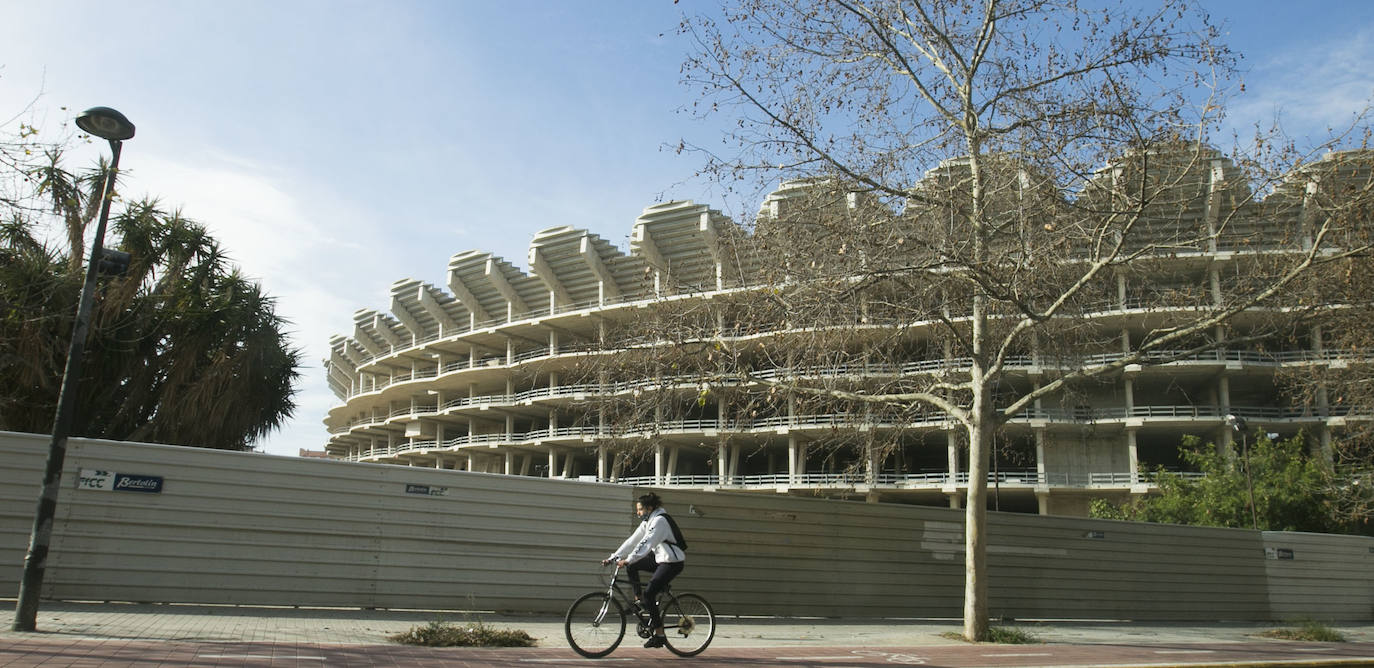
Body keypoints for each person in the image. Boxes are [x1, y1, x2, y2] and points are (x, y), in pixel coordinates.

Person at [602, 492, 685, 648]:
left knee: (650, 593)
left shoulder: (659, 521)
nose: (638, 513)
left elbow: (645, 544)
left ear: (649, 508)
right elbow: (632, 541)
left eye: (640, 509)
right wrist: (614, 557)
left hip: (672, 562)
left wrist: (628, 559)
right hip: (660, 559)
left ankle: (660, 635)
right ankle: (639, 600)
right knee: (633, 566)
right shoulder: (648, 521)